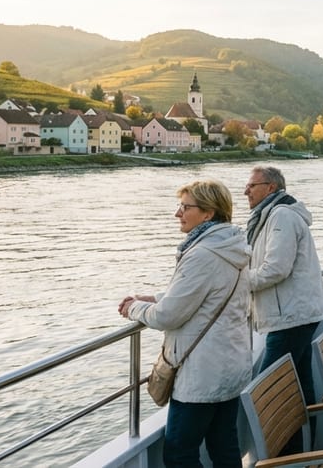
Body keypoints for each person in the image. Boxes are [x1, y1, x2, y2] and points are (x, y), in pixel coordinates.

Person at [118, 180, 251, 468]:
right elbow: (208, 293)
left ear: (208, 213)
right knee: (223, 446)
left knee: (179, 453)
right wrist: (154, 296)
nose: (177, 213)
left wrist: (134, 308)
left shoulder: (202, 253)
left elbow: (168, 316)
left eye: (185, 207)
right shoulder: (231, 244)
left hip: (202, 373)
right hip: (229, 365)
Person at [245, 166, 323, 411]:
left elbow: (276, 268)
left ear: (271, 187)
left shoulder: (281, 216)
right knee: (300, 388)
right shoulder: (271, 215)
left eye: (251, 186)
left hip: (290, 317)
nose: (245, 191)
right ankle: (306, 449)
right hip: (294, 314)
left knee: (267, 392)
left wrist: (237, 283)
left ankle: (290, 449)